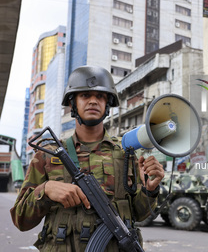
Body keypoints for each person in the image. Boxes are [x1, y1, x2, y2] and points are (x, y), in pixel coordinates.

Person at [10, 65, 165, 251]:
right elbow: (20, 220)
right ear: (72, 103)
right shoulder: (47, 154)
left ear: (107, 104)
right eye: (85, 96)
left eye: (100, 96)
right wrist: (46, 190)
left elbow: (140, 214)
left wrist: (149, 190)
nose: (93, 101)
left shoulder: (126, 153)